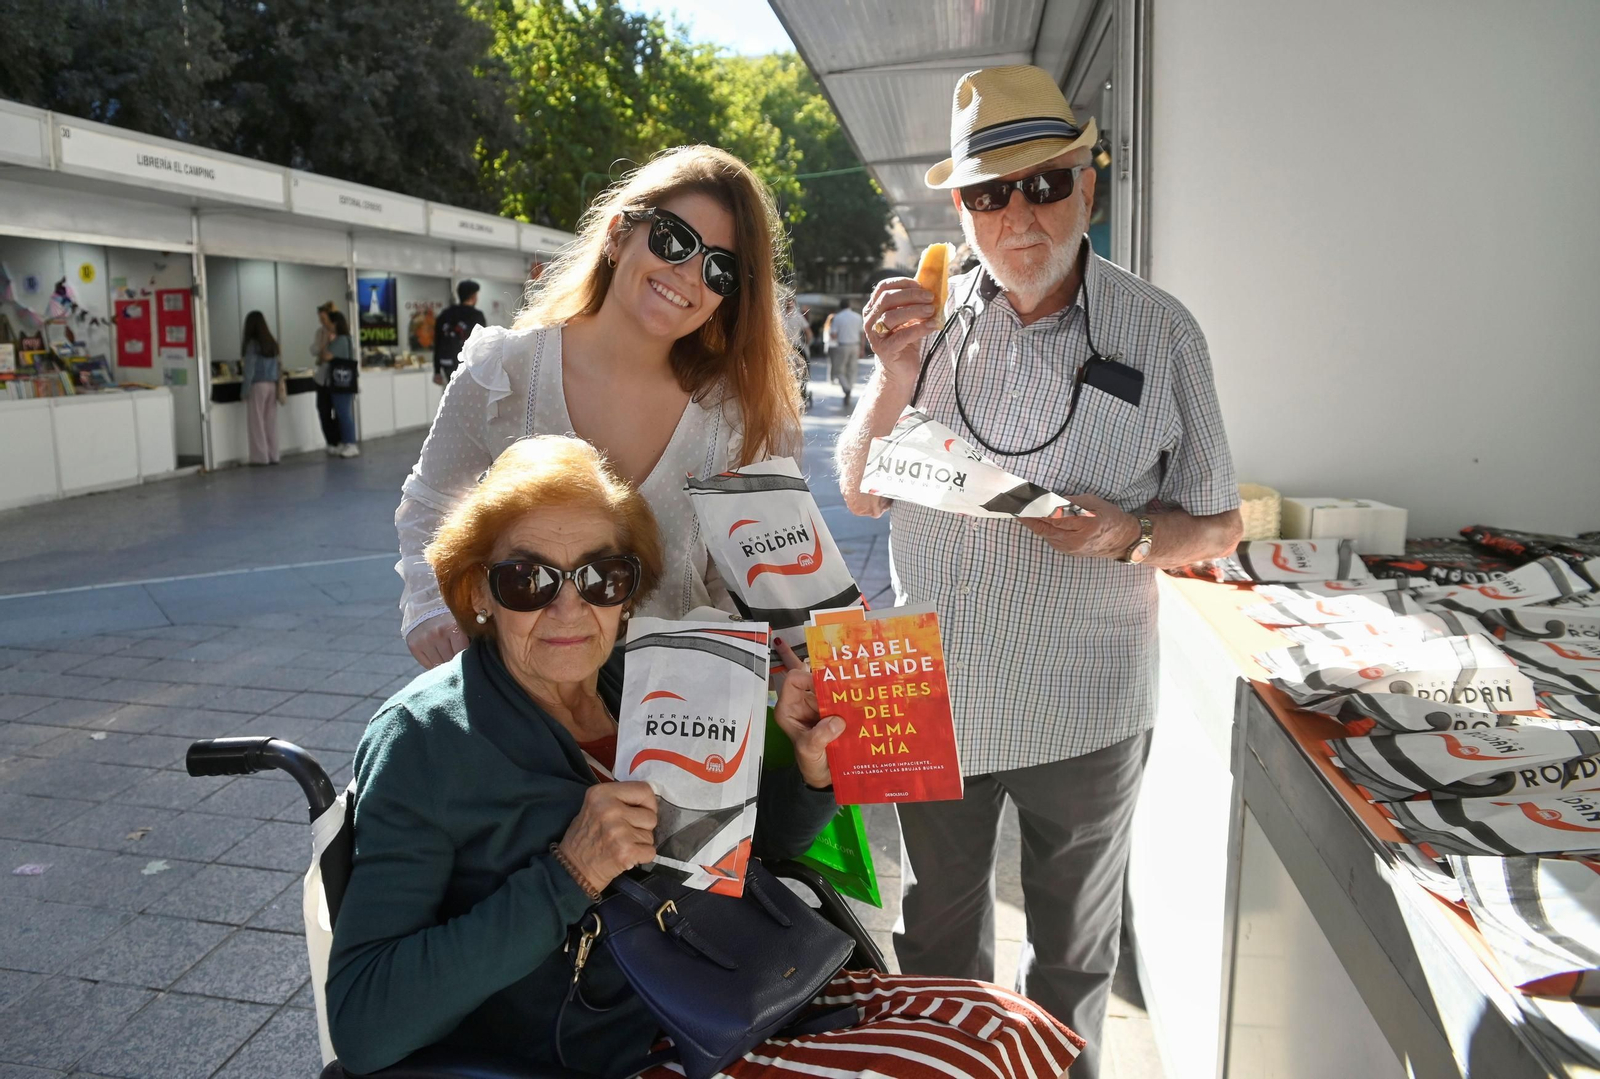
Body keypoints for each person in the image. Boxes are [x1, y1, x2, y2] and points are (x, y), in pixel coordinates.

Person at [326, 435, 1084, 1079]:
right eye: (528, 579)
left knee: (1007, 1025)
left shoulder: (644, 679)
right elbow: (363, 1023)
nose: (569, 607)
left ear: (628, 592)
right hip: (608, 1048)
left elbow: (746, 854)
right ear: (477, 592)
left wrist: (808, 770)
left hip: (724, 988)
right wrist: (569, 875)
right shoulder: (427, 741)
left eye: (601, 577)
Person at [835, 64, 1243, 1079]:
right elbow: (860, 493)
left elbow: (1220, 524)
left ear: (1087, 187)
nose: (1017, 215)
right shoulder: (924, 321)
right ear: (962, 211)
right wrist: (891, 376)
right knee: (934, 942)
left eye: (1045, 183)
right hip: (927, 688)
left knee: (1069, 956)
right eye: (989, 193)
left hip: (1087, 702)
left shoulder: (1162, 330)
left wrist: (1130, 536)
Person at [396, 145, 804, 670]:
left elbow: (748, 581)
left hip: (679, 705)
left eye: (720, 269)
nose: (689, 273)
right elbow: (430, 504)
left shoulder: (736, 417)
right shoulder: (502, 371)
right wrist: (431, 605)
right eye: (674, 239)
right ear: (617, 234)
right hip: (525, 699)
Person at [240, 311, 280, 466]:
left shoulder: (252, 344)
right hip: (272, 385)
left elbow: (249, 369)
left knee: (256, 422)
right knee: (270, 422)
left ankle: (260, 457)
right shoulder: (271, 342)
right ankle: (274, 455)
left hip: (258, 385)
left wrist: (244, 391)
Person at [432, 279, 488, 386]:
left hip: (447, 363)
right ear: (473, 296)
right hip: (468, 365)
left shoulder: (445, 314)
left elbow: (438, 342)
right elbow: (482, 343)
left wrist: (437, 371)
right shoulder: (476, 316)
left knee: (452, 390)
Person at [322, 310, 360, 458]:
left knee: (344, 413)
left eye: (330, 323)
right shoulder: (347, 339)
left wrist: (326, 341)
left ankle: (351, 443)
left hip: (340, 383)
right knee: (342, 412)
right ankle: (346, 442)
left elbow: (325, 356)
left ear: (335, 324)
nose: (328, 326)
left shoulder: (340, 340)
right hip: (345, 383)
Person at [311, 302, 342, 453]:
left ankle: (339, 440)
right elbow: (314, 350)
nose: (321, 321)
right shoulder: (320, 333)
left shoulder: (340, 333)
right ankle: (330, 442)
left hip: (337, 378)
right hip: (322, 378)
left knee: (339, 411)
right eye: (320, 318)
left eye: (323, 318)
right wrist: (322, 344)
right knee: (323, 410)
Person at [827, 298, 863, 407]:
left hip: (842, 346)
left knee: (838, 370)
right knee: (852, 369)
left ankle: (846, 388)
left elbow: (833, 335)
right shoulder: (857, 317)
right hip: (855, 345)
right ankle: (849, 388)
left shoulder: (838, 317)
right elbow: (862, 334)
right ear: (849, 306)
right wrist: (862, 348)